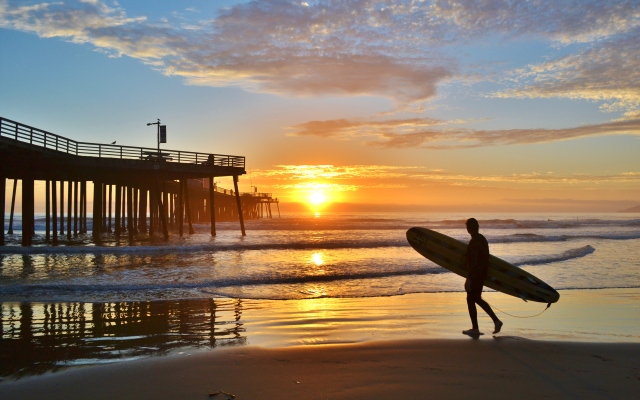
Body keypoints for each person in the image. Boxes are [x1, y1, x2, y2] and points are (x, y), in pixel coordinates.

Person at [463, 218, 503, 336]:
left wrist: (469, 278)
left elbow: (474, 261)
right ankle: (491, 322)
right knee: (474, 298)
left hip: (476, 274)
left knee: (473, 298)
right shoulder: (482, 239)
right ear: (478, 226)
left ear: (468, 229)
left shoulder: (474, 241)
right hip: (482, 273)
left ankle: (489, 323)